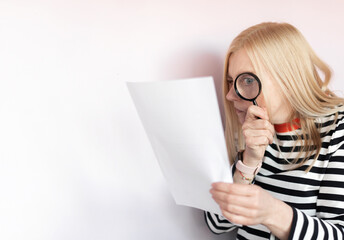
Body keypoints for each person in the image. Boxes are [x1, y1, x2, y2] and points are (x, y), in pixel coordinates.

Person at [205, 22, 344, 239]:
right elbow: (217, 223)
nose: (230, 95)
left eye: (248, 80)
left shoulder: (337, 132)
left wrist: (274, 213)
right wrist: (249, 161)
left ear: (287, 79)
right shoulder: (248, 128)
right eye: (231, 82)